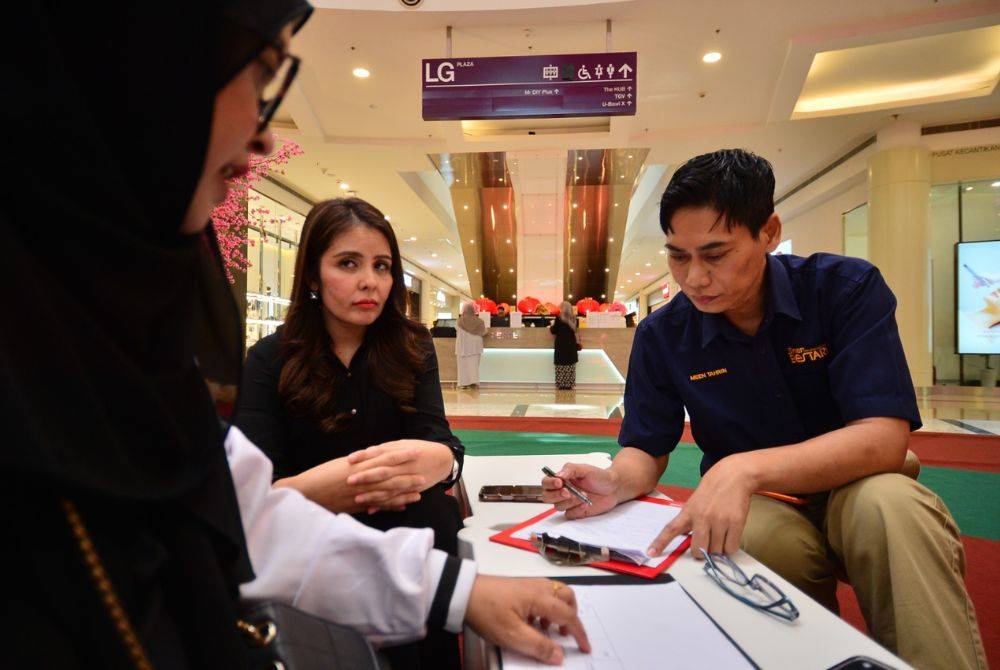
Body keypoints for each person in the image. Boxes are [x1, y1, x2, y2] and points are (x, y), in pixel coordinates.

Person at [2, 2, 589, 666]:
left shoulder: (122, 320)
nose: (261, 137)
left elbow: (239, 509)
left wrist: (452, 555)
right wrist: (344, 486)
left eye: (382, 267)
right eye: (260, 76)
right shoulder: (255, 357)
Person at [542, 149, 985, 670]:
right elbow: (646, 444)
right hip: (760, 504)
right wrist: (616, 482)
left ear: (769, 232)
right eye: (678, 256)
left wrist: (742, 468)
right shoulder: (664, 334)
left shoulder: (845, 290)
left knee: (892, 509)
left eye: (715, 254)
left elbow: (883, 438)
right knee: (753, 540)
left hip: (859, 482)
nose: (694, 277)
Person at [236, 196, 466, 667]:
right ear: (312, 275)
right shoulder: (268, 360)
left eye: (382, 266)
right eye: (348, 263)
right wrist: (343, 485)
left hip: (415, 542)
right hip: (314, 557)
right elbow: (253, 497)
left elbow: (440, 442)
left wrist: (443, 462)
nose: (370, 281)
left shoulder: (414, 347)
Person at [456, 302, 486, 388]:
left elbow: (456, 329)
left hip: (462, 346)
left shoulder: (459, 321)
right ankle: (474, 382)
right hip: (475, 346)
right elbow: (483, 332)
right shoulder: (480, 321)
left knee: (462, 365)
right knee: (474, 365)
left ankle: (463, 383)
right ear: (473, 310)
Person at [550, 301, 579, 390]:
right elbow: (575, 330)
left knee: (561, 365)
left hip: (561, 345)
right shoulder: (574, 318)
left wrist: (551, 325)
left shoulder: (559, 318)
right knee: (570, 365)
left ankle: (561, 384)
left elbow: (554, 331)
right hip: (571, 345)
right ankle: (569, 384)